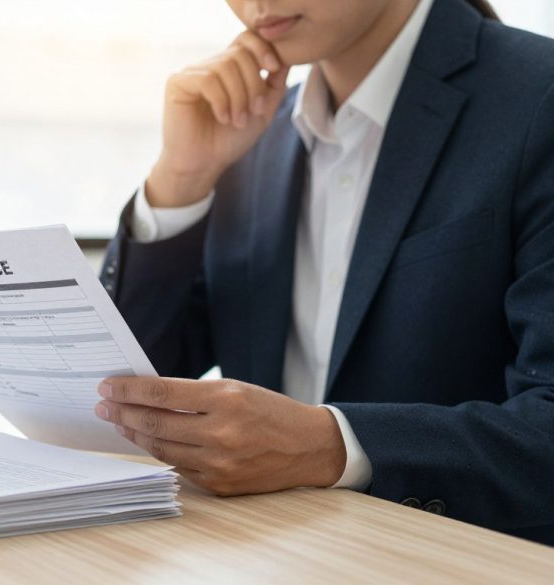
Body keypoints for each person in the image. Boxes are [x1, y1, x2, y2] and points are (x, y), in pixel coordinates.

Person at [95, 0, 554, 544]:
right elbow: (122, 391)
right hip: (267, 552)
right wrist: (181, 178)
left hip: (459, 561)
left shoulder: (536, 98)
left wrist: (327, 446)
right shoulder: (251, 130)